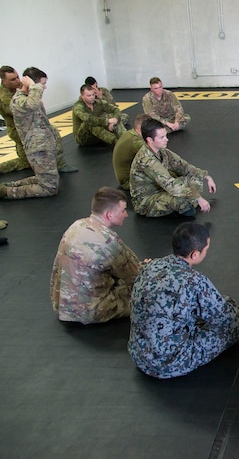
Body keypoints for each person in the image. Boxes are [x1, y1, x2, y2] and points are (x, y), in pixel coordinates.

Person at [129, 222, 239, 379]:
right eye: (206, 249)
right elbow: (226, 320)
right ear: (195, 254)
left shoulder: (151, 266)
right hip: (168, 363)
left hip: (139, 354)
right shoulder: (194, 281)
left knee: (213, 305)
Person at [50, 187, 142, 324]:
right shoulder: (109, 241)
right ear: (109, 215)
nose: (126, 215)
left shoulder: (76, 225)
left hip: (62, 304)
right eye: (123, 211)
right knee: (145, 294)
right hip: (89, 312)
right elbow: (135, 276)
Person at [0, 67, 78, 201]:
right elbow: (31, 106)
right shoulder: (18, 101)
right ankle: (7, 191)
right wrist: (34, 87)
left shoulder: (27, 98)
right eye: (42, 84)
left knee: (47, 179)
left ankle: (9, 186)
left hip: (43, 145)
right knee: (50, 188)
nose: (45, 87)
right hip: (37, 149)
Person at [129, 119, 216, 217]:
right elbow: (170, 185)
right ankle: (186, 205)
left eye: (165, 136)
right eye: (162, 137)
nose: (166, 139)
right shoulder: (146, 160)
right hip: (147, 200)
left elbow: (183, 166)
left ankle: (187, 204)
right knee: (182, 198)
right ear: (150, 140)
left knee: (196, 178)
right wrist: (197, 197)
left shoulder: (161, 151)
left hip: (162, 189)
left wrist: (206, 176)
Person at [0, 65, 30, 174]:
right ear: (4, 82)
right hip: (17, 130)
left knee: (28, 159)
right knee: (28, 162)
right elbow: (18, 110)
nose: (18, 81)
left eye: (17, 77)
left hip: (26, 126)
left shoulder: (17, 86)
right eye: (13, 79)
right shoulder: (4, 97)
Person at [113, 114, 149, 190]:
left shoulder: (131, 133)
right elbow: (156, 157)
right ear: (139, 128)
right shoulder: (136, 141)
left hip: (131, 175)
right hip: (129, 182)